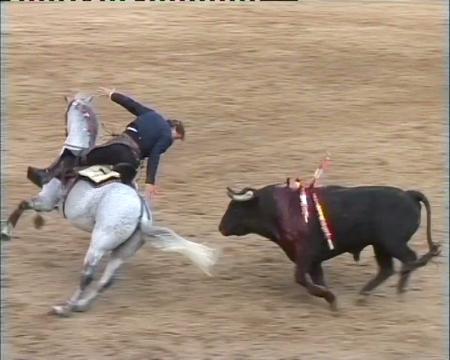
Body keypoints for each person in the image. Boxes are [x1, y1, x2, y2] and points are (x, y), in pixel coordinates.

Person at [27, 87, 185, 200]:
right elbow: (155, 156)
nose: (173, 140)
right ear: (174, 128)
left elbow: (132, 105)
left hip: (118, 149)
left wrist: (113, 94)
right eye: (176, 137)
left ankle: (48, 177)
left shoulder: (152, 114)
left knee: (80, 157)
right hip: (130, 161)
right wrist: (150, 182)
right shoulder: (166, 135)